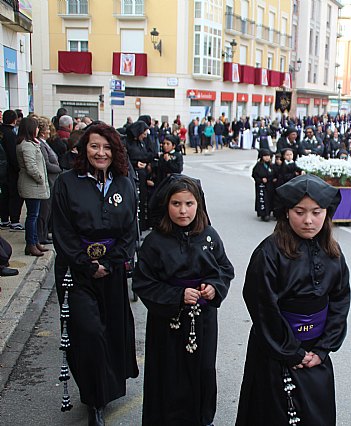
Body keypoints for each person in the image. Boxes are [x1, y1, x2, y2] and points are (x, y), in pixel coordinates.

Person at [236, 174, 351, 426]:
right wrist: (291, 352)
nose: (308, 220)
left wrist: (322, 349)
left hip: (316, 351)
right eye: (300, 211)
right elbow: (262, 306)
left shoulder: (333, 254)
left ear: (327, 213)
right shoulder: (269, 252)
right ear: (287, 212)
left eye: (316, 212)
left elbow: (340, 301)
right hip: (275, 351)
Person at [52, 124, 138, 425]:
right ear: (83, 149)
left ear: (115, 151)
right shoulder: (66, 183)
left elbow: (130, 232)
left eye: (107, 147)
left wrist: (112, 262)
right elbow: (61, 230)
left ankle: (106, 390)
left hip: (112, 270)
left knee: (111, 331)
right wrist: (87, 264)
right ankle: (94, 399)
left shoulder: (125, 184)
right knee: (88, 333)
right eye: (94, 146)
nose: (100, 153)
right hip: (76, 273)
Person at [133, 176, 234, 426]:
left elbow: (224, 268)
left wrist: (214, 287)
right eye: (176, 203)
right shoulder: (155, 242)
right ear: (167, 205)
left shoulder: (209, 236)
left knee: (204, 371)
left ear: (198, 204)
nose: (183, 210)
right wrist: (177, 296)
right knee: (170, 374)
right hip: (168, 322)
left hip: (203, 320)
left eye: (189, 203)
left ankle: (202, 419)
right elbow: (143, 282)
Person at [16, 116, 50, 256]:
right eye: (36, 127)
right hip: (32, 185)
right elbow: (31, 167)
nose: (38, 129)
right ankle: (31, 243)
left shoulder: (30, 143)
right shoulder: (27, 145)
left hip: (34, 185)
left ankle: (35, 241)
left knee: (34, 215)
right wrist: (40, 177)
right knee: (32, 216)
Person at [36, 115, 61, 246]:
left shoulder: (44, 144)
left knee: (48, 210)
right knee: (44, 211)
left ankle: (44, 234)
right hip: (48, 181)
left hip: (52, 181)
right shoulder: (40, 145)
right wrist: (59, 168)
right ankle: (41, 235)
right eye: (47, 129)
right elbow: (46, 163)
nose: (49, 132)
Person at [0, 110, 23, 230]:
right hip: (11, 170)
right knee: (14, 195)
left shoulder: (2, 131)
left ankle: (4, 219)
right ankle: (14, 220)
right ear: (15, 120)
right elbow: (13, 154)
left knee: (4, 195)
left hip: (2, 170)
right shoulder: (10, 134)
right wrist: (18, 168)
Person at [252, 149, 275, 221]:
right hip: (261, 185)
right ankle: (264, 214)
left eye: (268, 156)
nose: (267, 158)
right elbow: (254, 175)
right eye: (265, 156)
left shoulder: (271, 165)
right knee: (263, 199)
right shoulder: (258, 165)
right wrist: (261, 179)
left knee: (270, 198)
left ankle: (269, 212)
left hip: (270, 185)